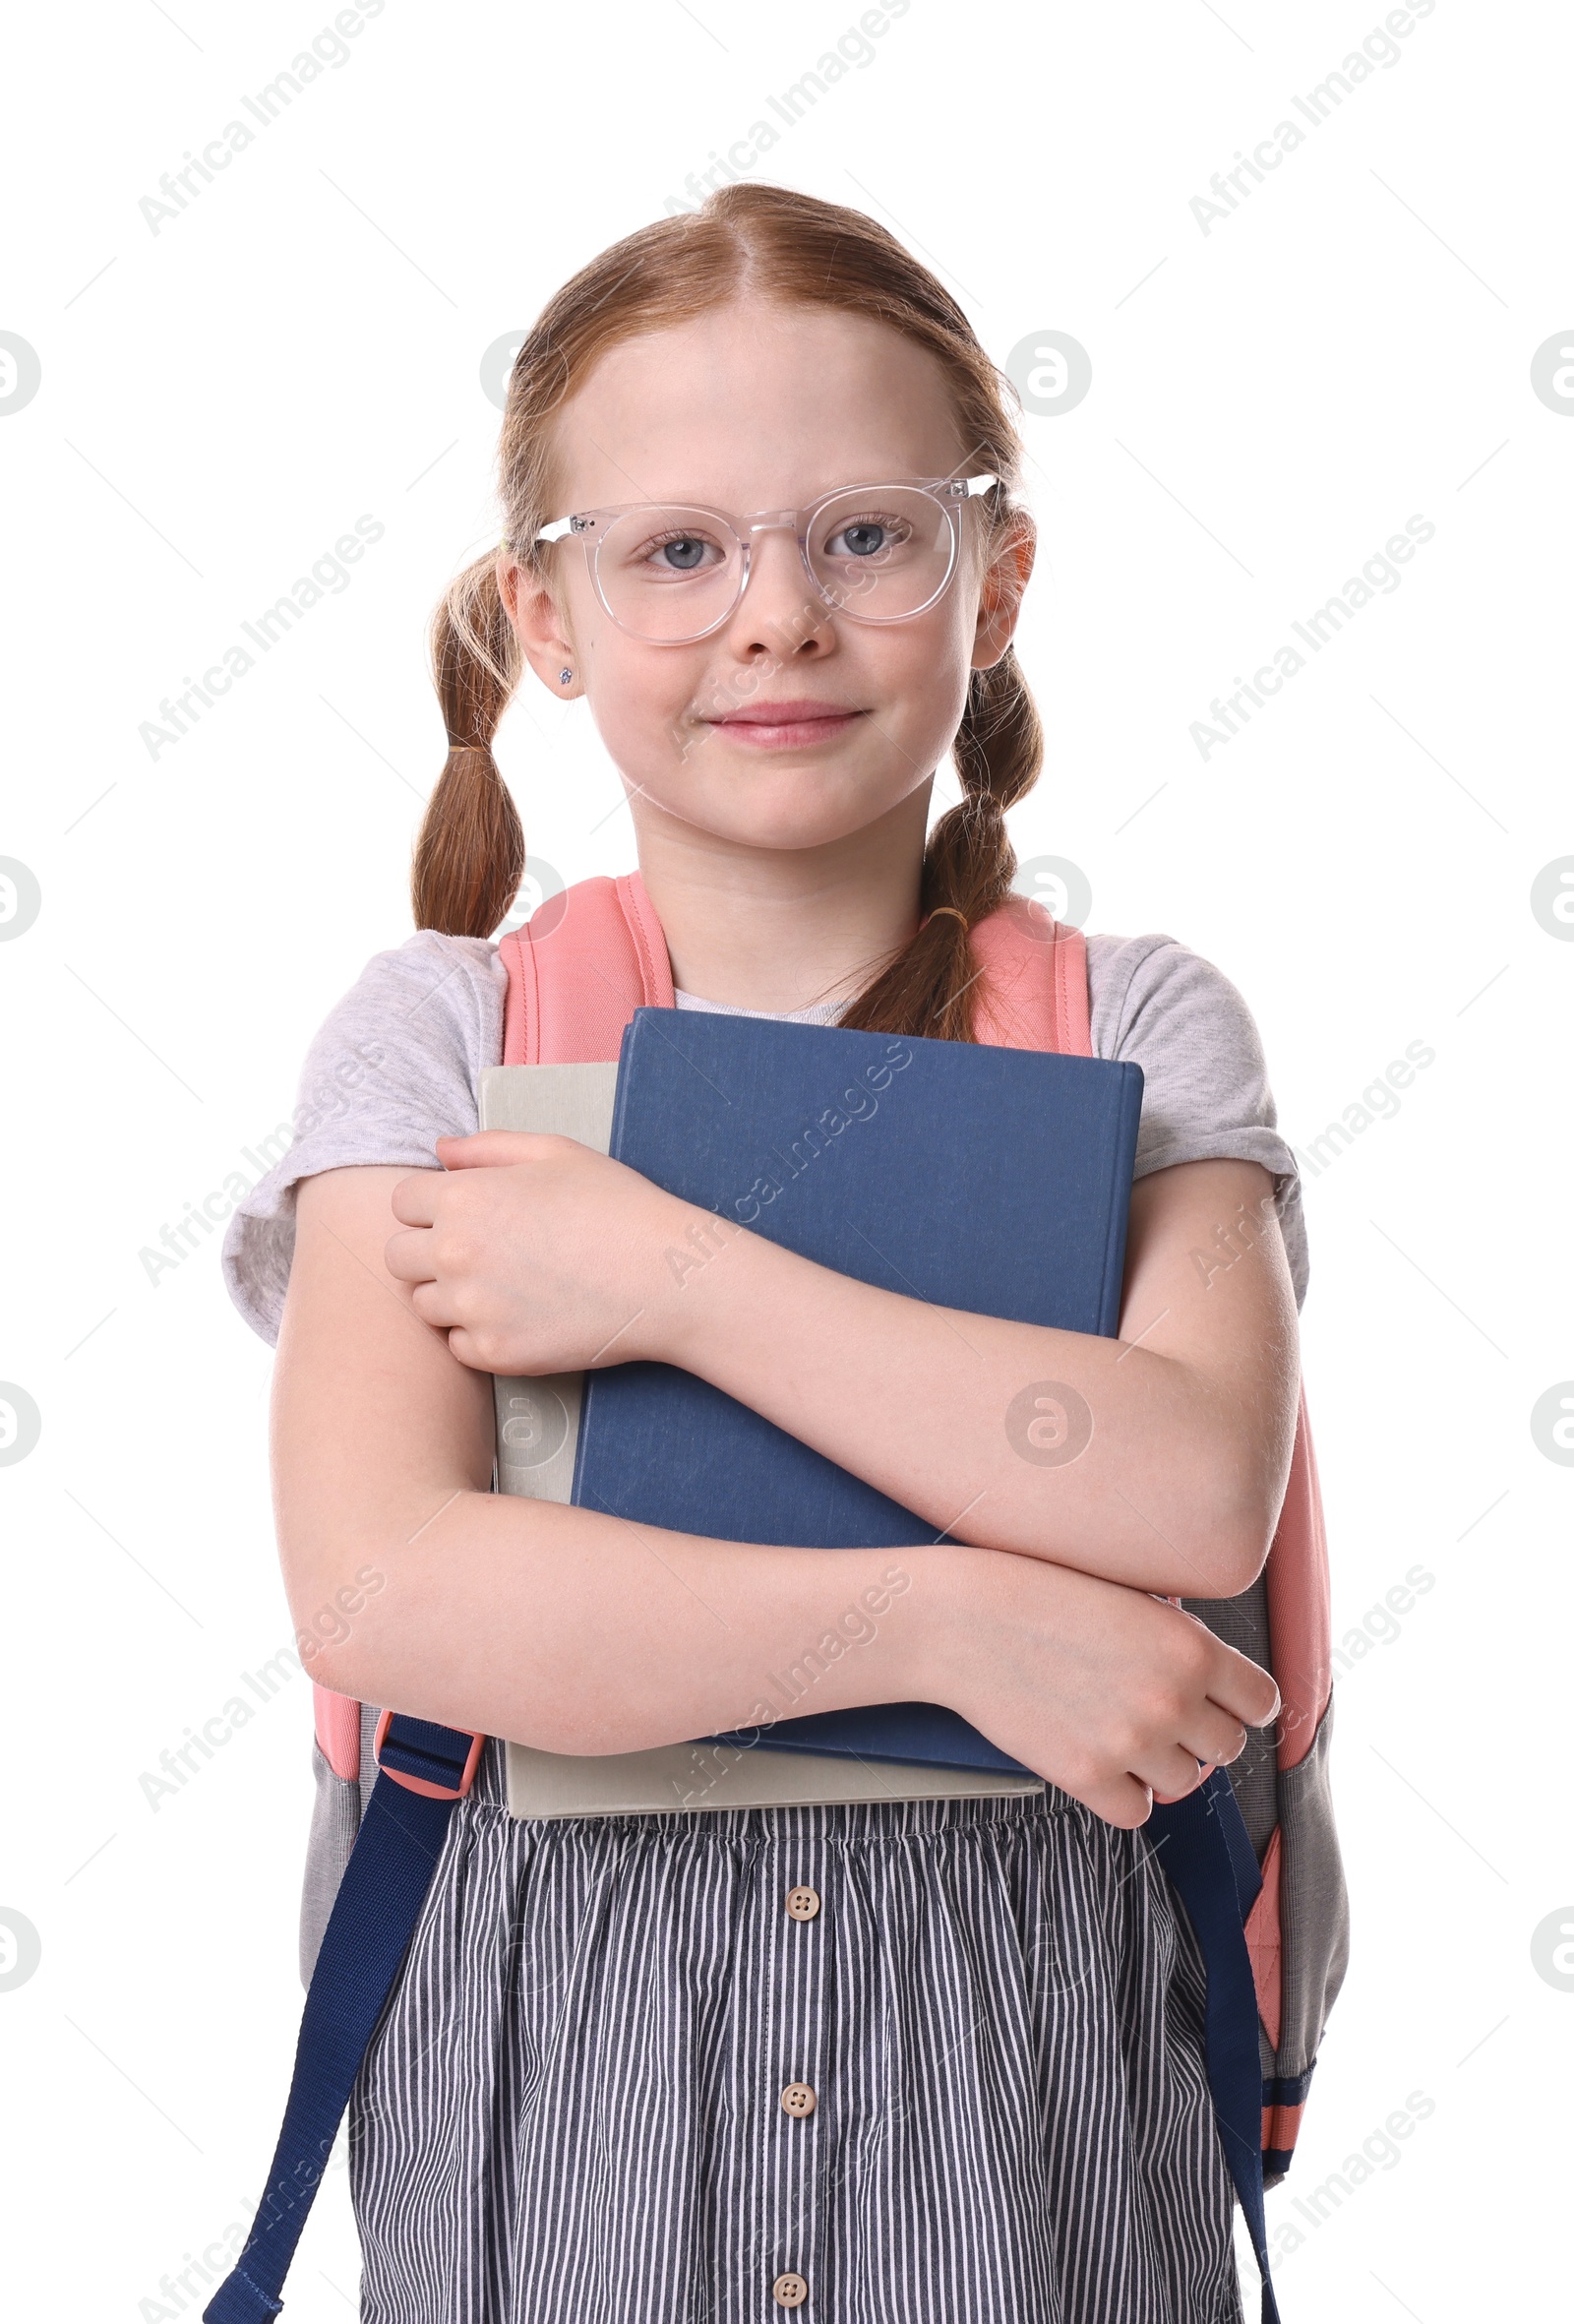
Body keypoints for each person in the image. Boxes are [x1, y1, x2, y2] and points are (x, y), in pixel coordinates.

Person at [223, 182, 1306, 2324]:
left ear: (993, 578)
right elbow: (381, 1585)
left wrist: (670, 1278)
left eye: (866, 534)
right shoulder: (440, 1031)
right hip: (555, 2060)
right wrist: (961, 1621)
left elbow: (1186, 1484)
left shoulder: (1140, 1019)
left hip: (1019, 2075)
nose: (777, 617)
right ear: (543, 614)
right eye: (677, 550)